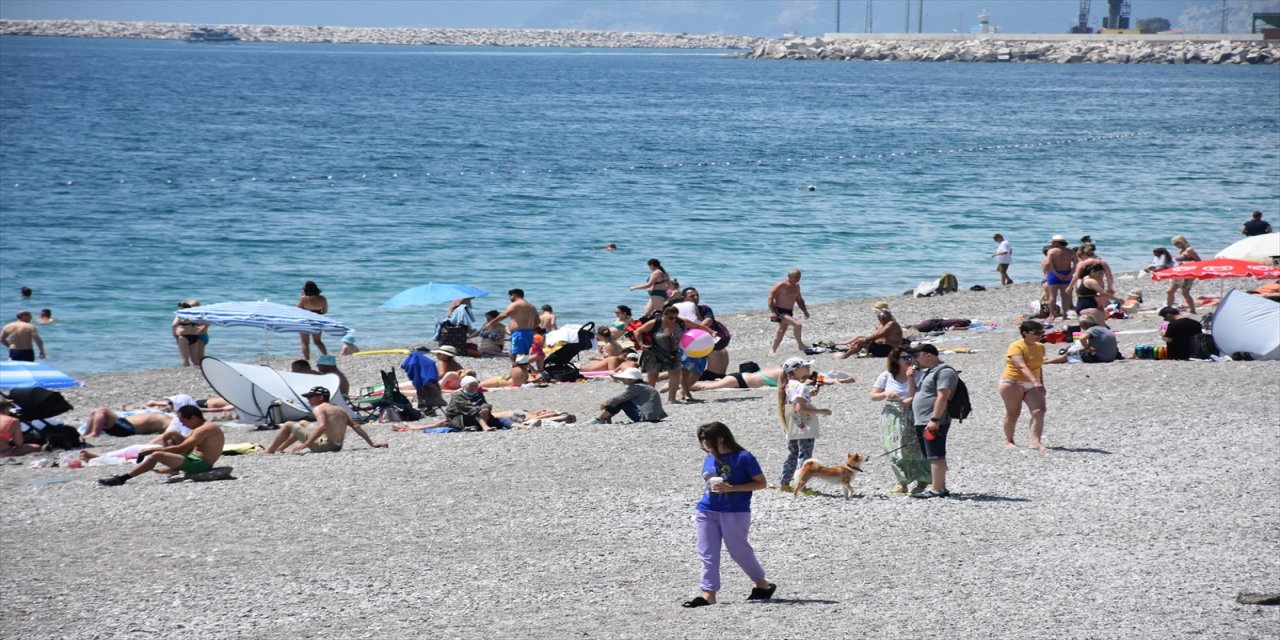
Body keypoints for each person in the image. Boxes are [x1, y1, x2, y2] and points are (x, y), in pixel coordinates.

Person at [682, 421, 775, 608]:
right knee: (707, 552)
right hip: (706, 509)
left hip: (735, 511)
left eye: (706, 439)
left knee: (739, 552)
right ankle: (708, 594)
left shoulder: (744, 457)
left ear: (721, 437)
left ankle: (762, 584)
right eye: (701, 439)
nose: (703, 443)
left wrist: (733, 488)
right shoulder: (710, 457)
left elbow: (761, 483)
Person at [98, 406, 225, 486]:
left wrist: (153, 450)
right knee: (170, 433)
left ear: (193, 418)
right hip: (193, 456)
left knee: (156, 455)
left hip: (200, 464)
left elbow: (183, 448)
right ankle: (173, 467)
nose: (183, 424)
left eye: (184, 421)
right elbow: (188, 444)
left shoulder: (204, 429)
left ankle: (122, 478)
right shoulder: (200, 426)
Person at [870, 347, 930, 494]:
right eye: (904, 358)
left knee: (916, 449)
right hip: (892, 415)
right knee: (893, 448)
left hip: (914, 413)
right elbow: (873, 395)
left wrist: (910, 379)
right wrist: (885, 393)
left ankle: (922, 482)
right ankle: (902, 482)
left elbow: (921, 394)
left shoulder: (919, 374)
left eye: (910, 357)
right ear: (896, 360)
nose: (909, 360)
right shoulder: (886, 375)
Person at [268, 386, 387, 452]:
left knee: (289, 424)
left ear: (320, 397)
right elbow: (356, 426)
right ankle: (280, 449)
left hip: (325, 446)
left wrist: (306, 444)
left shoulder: (319, 408)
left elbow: (323, 426)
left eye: (310, 397)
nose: (308, 399)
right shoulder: (339, 409)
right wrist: (372, 443)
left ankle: (269, 451)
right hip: (337, 446)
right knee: (303, 423)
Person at [908, 344, 959, 498]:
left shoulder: (945, 372)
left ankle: (937, 489)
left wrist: (935, 419)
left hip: (933, 420)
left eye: (916, 356)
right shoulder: (927, 372)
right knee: (931, 454)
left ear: (928, 354)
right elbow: (915, 394)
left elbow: (943, 396)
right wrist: (911, 378)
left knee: (936, 454)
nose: (914, 360)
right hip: (922, 419)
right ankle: (939, 487)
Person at [776, 357, 830, 491]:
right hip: (803, 424)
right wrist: (821, 411)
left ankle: (785, 483)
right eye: (805, 366)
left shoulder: (788, 384)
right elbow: (801, 408)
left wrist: (809, 394)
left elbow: (794, 401)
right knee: (805, 456)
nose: (808, 368)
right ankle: (801, 486)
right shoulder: (801, 386)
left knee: (792, 453)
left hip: (791, 423)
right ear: (796, 370)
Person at [999, 321, 1048, 451]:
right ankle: (1009, 441)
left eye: (1041, 333)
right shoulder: (1015, 346)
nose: (1040, 336)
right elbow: (1021, 366)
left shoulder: (1040, 347)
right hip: (1013, 382)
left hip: (1032, 383)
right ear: (1025, 333)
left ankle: (1035, 442)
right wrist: (1035, 381)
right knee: (1013, 413)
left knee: (1039, 411)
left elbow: (1038, 367)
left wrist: (1040, 382)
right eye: (1036, 333)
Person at [635, 305, 695, 404]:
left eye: (676, 317)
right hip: (654, 352)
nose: (674, 320)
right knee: (653, 376)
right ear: (664, 315)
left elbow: (695, 326)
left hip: (673, 352)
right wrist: (641, 344)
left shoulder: (679, 322)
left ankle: (671, 399)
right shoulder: (655, 323)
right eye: (671, 317)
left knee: (675, 374)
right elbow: (637, 332)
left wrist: (710, 332)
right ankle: (649, 399)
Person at [482, 289, 539, 366]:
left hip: (518, 333)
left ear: (513, 295)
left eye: (509, 296)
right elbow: (538, 321)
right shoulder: (531, 306)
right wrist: (531, 329)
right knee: (525, 354)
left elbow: (503, 315)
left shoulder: (515, 305)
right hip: (528, 332)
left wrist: (490, 324)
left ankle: (515, 369)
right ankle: (524, 370)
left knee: (513, 352)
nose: (509, 298)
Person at [592, 367, 666, 424]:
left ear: (632, 379)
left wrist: (606, 402)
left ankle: (600, 419)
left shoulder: (636, 387)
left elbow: (620, 398)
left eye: (625, 378)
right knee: (619, 401)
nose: (623, 379)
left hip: (645, 417)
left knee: (621, 402)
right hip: (655, 416)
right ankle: (605, 418)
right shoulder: (644, 385)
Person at [444, 376, 514, 431]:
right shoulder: (457, 396)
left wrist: (486, 408)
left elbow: (484, 403)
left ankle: (519, 426)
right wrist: (481, 410)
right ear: (464, 386)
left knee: (499, 419)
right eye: (471, 385)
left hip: (479, 415)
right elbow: (468, 408)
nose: (473, 387)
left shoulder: (478, 394)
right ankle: (485, 427)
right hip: (458, 418)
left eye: (475, 385)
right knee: (476, 413)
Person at [767, 269, 810, 357]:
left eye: (799, 277)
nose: (798, 279)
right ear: (789, 277)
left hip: (789, 311)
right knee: (797, 325)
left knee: (781, 330)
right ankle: (801, 345)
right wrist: (772, 312)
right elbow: (770, 297)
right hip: (779, 310)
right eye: (795, 277)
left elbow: (799, 300)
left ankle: (772, 351)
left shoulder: (797, 287)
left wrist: (805, 311)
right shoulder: (781, 285)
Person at [837, 301, 903, 359]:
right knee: (860, 339)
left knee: (860, 342)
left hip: (889, 350)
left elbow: (879, 334)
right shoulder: (888, 323)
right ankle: (846, 352)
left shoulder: (891, 324)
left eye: (880, 319)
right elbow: (878, 334)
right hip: (885, 347)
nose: (880, 321)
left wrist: (866, 340)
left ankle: (843, 357)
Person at [1046, 314, 1118, 364]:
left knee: (1069, 355)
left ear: (1083, 325)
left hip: (1101, 358)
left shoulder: (1092, 330)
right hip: (1111, 356)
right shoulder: (1103, 328)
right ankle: (1049, 359)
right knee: (1076, 351)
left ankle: (1047, 362)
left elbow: (1082, 338)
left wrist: (1087, 347)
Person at [1044, 235, 1077, 319]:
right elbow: (1076, 265)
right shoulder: (1071, 252)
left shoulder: (1051, 251)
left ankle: (1051, 314)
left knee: (1052, 296)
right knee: (1064, 296)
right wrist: (1070, 274)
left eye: (1053, 242)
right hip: (1066, 273)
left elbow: (1050, 265)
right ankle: (1065, 315)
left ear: (1057, 242)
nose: (1051, 243)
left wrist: (1057, 274)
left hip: (1054, 274)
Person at [297, 280, 329, 360]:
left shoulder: (304, 298)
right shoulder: (323, 298)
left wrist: (302, 296)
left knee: (305, 343)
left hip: (305, 321)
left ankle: (307, 360)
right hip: (317, 321)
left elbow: (297, 309)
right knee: (318, 341)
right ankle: (326, 356)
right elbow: (325, 311)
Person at [1169, 236, 1201, 315]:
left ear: (1182, 241)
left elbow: (1199, 261)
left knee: (1185, 292)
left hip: (1188, 275)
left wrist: (1185, 263)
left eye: (1176, 243)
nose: (1175, 245)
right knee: (1169, 291)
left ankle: (1193, 310)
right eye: (1174, 244)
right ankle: (1168, 309)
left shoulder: (1189, 250)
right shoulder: (1182, 251)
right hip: (1179, 274)